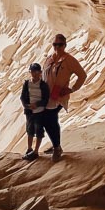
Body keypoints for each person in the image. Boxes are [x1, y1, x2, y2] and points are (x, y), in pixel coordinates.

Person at [42, 33, 87, 162]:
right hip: (46, 97)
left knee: (48, 119)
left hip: (58, 97)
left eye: (60, 44)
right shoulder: (49, 58)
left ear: (65, 45)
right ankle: (56, 145)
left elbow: (82, 75)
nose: (57, 47)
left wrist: (71, 89)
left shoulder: (69, 60)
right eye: (55, 44)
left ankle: (57, 148)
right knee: (50, 120)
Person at [20, 63, 49, 161]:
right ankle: (29, 149)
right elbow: (23, 97)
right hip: (29, 112)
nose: (35, 74)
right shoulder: (27, 83)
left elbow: (46, 99)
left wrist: (37, 104)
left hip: (40, 112)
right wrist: (27, 106)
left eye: (37, 72)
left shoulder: (43, 85)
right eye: (32, 71)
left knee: (39, 131)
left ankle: (36, 151)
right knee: (30, 130)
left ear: (40, 72)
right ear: (30, 72)